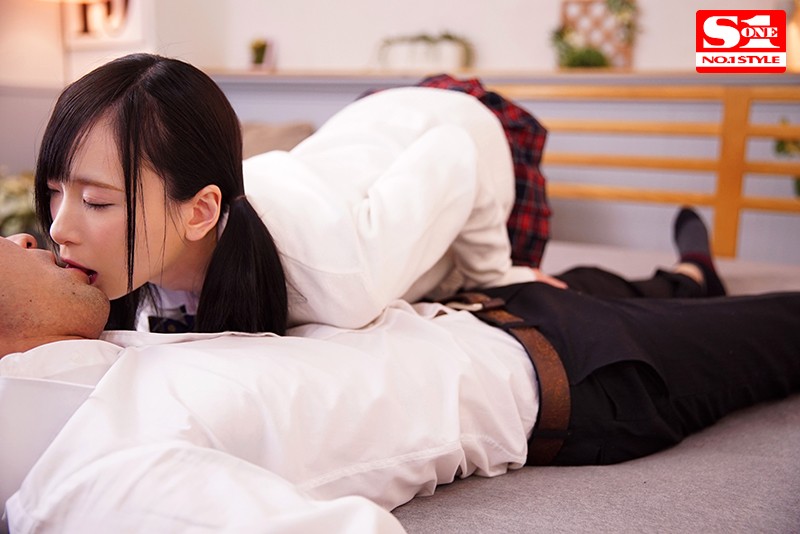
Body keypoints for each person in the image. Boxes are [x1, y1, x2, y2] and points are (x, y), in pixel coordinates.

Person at [2, 208, 800, 531]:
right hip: (572, 374)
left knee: (606, 282)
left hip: (474, 310)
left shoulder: (83, 365)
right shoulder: (91, 480)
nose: (30, 235)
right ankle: (693, 282)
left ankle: (690, 273)